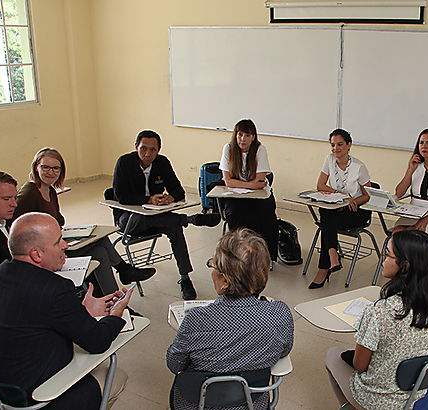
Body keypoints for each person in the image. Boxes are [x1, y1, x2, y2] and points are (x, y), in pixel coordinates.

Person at [0, 213, 134, 409]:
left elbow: (33, 315)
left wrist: (79, 311)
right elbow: (97, 341)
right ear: (37, 254)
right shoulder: (55, 288)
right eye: (58, 242)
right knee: (117, 377)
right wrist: (116, 314)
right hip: (25, 401)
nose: (65, 246)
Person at [324, 230, 428, 409]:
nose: (382, 259)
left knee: (332, 355)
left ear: (404, 266)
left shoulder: (380, 311)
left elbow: (359, 366)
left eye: (387, 254)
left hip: (380, 401)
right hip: (426, 396)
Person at [166, 228, 293, 410]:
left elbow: (175, 364)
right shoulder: (280, 315)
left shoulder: (195, 320)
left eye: (214, 266)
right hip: (252, 403)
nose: (212, 271)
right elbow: (283, 350)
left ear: (225, 281)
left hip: (197, 404)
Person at [11, 147, 155, 294]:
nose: (50, 172)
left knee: (100, 251)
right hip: (45, 252)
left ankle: (114, 298)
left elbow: (58, 220)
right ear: (36, 167)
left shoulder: (50, 190)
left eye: (55, 168)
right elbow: (13, 227)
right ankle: (124, 273)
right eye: (45, 167)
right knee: (101, 243)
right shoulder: (29, 193)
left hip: (57, 241)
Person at [112, 130, 220, 300]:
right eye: (143, 149)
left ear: (159, 150)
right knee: (150, 218)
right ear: (136, 147)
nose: (147, 154)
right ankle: (190, 219)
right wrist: (148, 199)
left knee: (175, 227)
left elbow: (178, 190)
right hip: (130, 218)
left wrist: (171, 197)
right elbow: (121, 196)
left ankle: (185, 279)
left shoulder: (162, 163)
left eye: (153, 150)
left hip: (158, 216)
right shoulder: (124, 163)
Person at [309, 128, 372, 288]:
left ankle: (325, 266)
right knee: (326, 211)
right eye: (332, 145)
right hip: (336, 207)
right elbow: (320, 185)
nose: (335, 149)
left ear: (349, 145)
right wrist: (341, 196)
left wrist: (352, 201)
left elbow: (368, 195)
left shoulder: (359, 167)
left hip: (356, 210)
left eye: (340, 144)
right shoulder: (329, 160)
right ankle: (331, 255)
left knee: (326, 220)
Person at [219, 119, 279, 263]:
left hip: (258, 195)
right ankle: (237, 254)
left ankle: (265, 257)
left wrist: (241, 184)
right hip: (236, 195)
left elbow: (260, 182)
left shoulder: (259, 149)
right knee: (234, 214)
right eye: (240, 135)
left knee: (266, 215)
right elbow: (228, 181)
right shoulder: (228, 149)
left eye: (247, 135)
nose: (242, 139)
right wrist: (251, 184)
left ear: (253, 137)